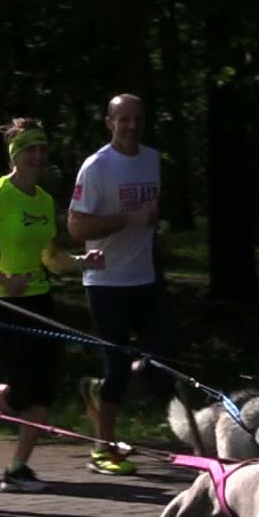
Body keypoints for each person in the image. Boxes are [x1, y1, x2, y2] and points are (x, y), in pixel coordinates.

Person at [0, 118, 104, 491]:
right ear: (15, 156)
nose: (38, 156)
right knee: (22, 393)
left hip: (40, 301)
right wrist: (4, 280)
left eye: (42, 149)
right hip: (2, 303)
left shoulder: (46, 201)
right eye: (30, 150)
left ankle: (17, 469)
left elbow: (49, 256)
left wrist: (81, 262)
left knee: (44, 389)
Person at [69, 93, 172, 476]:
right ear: (109, 123)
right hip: (105, 280)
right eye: (123, 119)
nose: (131, 126)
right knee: (116, 366)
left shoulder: (151, 159)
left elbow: (150, 213)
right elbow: (77, 227)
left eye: (137, 119)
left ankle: (100, 392)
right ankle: (102, 448)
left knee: (162, 357)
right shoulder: (96, 167)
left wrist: (156, 231)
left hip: (143, 277)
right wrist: (128, 218)